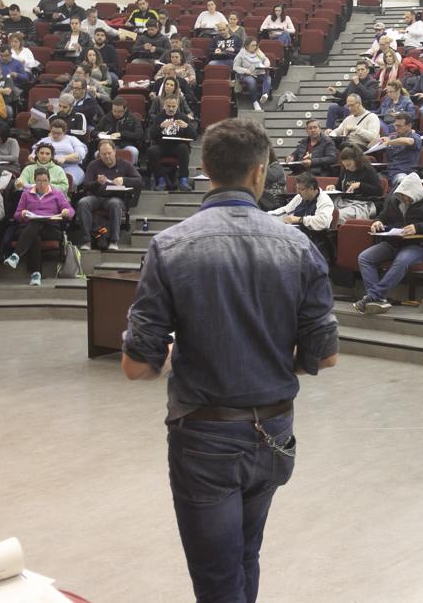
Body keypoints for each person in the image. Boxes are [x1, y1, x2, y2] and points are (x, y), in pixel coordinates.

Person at [120, 118, 336, 603]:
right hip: (275, 434)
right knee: (245, 555)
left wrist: (177, 352)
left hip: (205, 439)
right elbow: (326, 356)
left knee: (217, 578)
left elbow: (137, 365)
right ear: (260, 174)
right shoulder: (298, 245)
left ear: (204, 169)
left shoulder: (170, 246)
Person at [355, 177, 423, 313]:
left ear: (415, 193)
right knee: (364, 257)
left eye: (406, 197)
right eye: (401, 196)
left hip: (419, 245)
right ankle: (377, 299)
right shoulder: (394, 201)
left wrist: (418, 227)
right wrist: (377, 221)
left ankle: (373, 296)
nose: (403, 199)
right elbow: (383, 216)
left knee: (402, 260)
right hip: (393, 241)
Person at [4, 167, 74, 286]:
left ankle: (16, 256)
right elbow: (16, 215)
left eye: (45, 181)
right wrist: (22, 214)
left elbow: (71, 211)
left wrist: (66, 212)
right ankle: (36, 275)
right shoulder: (26, 194)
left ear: (49, 180)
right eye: (39, 181)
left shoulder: (57, 193)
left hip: (51, 228)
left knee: (35, 226)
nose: (42, 184)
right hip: (29, 227)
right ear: (34, 181)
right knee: (34, 232)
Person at [77, 140, 141, 250]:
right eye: (103, 154)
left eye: (109, 153)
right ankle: (86, 240)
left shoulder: (125, 164)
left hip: (115, 197)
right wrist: (97, 183)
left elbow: (139, 181)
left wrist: (124, 180)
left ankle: (114, 240)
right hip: (96, 197)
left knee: (115, 204)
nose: (107, 156)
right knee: (83, 202)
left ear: (114, 152)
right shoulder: (93, 165)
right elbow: (86, 185)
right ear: (99, 154)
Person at [269, 171, 336, 250]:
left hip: (314, 241)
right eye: (297, 188)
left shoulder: (324, 200)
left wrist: (300, 219)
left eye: (301, 189)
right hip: (297, 236)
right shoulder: (299, 197)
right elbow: (285, 210)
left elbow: (323, 221)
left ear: (311, 188)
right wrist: (266, 215)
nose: (298, 192)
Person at [147, 96, 198, 191]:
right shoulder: (159, 117)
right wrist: (160, 127)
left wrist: (187, 127)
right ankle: (161, 180)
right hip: (162, 145)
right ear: (164, 106)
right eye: (169, 106)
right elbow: (151, 135)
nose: (171, 109)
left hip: (177, 146)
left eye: (173, 106)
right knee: (151, 151)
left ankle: (183, 180)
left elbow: (194, 136)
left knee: (184, 148)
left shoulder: (183, 117)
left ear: (177, 106)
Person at [333, 146, 384, 223]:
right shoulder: (345, 170)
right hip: (346, 201)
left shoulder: (368, 170)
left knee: (338, 216)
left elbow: (379, 191)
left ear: (356, 161)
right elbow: (339, 188)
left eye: (349, 165)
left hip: (363, 203)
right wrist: (333, 187)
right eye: (344, 165)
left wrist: (360, 185)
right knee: (326, 211)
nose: (346, 168)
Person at [34, 118, 87, 186]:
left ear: (64, 132)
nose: (55, 135)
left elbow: (80, 154)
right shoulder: (44, 140)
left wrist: (64, 158)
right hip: (47, 166)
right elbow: (33, 154)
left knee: (70, 180)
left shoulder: (72, 139)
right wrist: (32, 157)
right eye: (53, 132)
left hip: (71, 166)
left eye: (58, 133)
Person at [374, 112, 421, 186]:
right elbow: (371, 147)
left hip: (404, 172)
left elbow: (408, 141)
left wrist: (389, 142)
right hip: (388, 171)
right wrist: (377, 141)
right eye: (395, 125)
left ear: (409, 126)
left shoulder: (415, 137)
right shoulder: (392, 137)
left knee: (403, 181)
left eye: (399, 126)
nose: (396, 128)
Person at [325, 63, 378, 129]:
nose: (360, 72)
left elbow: (369, 96)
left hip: (362, 107)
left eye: (362, 69)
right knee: (332, 108)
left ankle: (345, 132)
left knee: (348, 108)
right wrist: (335, 92)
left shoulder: (372, 82)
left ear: (367, 71)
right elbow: (344, 95)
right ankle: (328, 132)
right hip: (348, 107)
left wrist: (358, 84)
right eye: (358, 70)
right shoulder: (353, 82)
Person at [95, 97, 145, 163]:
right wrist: (100, 134)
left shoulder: (133, 119)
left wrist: (122, 134)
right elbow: (95, 131)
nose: (116, 113)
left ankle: (131, 170)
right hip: (109, 145)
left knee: (133, 151)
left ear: (125, 110)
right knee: (97, 154)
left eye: (119, 112)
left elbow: (139, 134)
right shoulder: (106, 118)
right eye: (114, 111)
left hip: (127, 145)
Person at [233, 38, 272, 111]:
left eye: (256, 45)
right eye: (252, 45)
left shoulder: (258, 51)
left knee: (268, 78)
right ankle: (255, 101)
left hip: (258, 73)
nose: (255, 47)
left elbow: (265, 59)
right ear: (246, 46)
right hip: (246, 74)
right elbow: (235, 67)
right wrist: (245, 70)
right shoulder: (241, 55)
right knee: (251, 81)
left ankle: (265, 94)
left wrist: (266, 63)